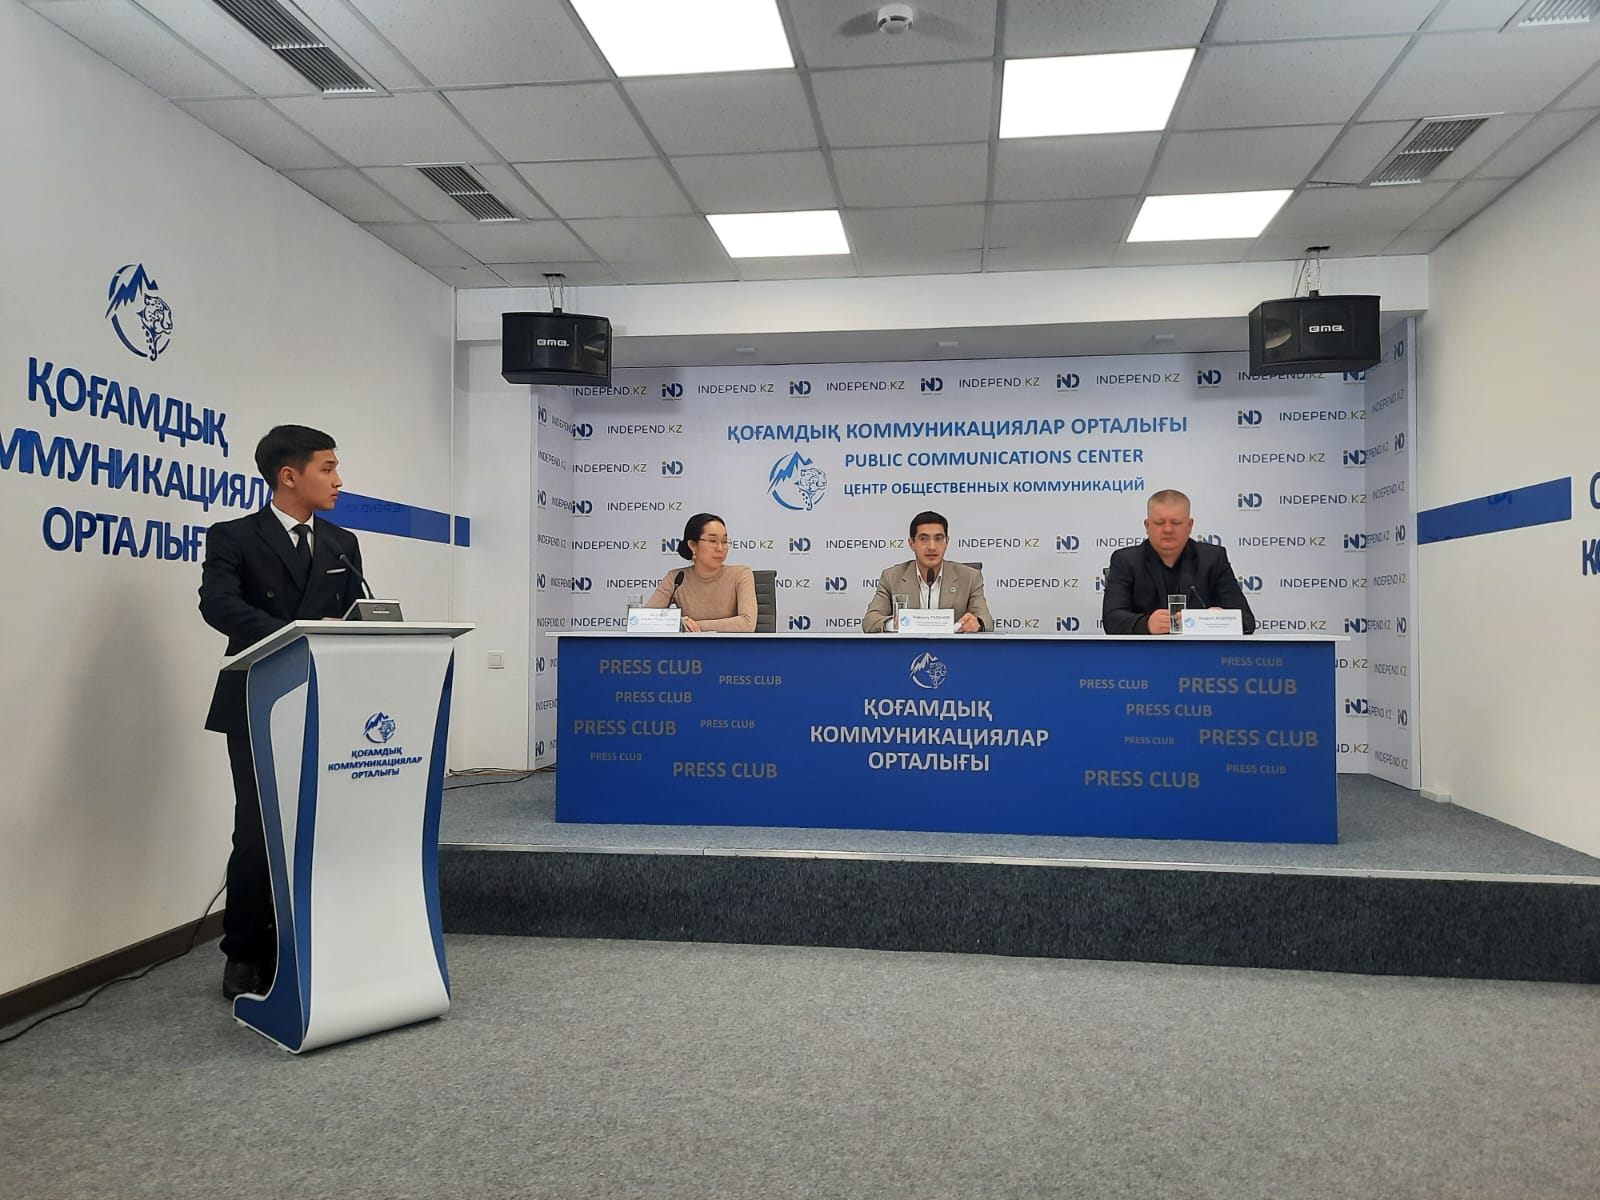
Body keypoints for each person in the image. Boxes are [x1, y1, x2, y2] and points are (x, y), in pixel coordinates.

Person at [198, 425, 365, 1000]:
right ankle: (245, 952)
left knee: (322, 823)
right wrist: (297, 632)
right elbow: (218, 606)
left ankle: (310, 939)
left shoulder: (342, 542)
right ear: (288, 476)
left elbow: (355, 613)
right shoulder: (234, 536)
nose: (338, 480)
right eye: (328, 468)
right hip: (258, 697)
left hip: (325, 696)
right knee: (259, 828)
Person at [1102, 489, 1256, 635]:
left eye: (1176, 523)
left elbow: (1247, 621)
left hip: (1199, 650)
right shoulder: (1126, 561)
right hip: (1145, 651)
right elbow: (1111, 619)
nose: (1168, 530)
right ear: (1147, 525)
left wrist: (1215, 620)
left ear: (1189, 525)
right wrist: (1146, 624)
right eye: (1160, 522)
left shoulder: (1213, 559)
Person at [862, 511, 993, 633]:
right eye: (924, 539)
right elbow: (870, 621)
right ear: (911, 543)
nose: (932, 547)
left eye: (938, 538)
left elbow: (986, 620)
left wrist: (978, 623)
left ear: (947, 542)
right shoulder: (892, 577)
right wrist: (895, 624)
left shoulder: (970, 577)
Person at [644, 512, 756, 632]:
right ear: (692, 545)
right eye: (713, 541)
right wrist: (679, 622)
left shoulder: (740, 574)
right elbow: (645, 619)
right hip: (690, 644)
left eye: (724, 541)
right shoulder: (677, 578)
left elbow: (747, 623)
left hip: (731, 644)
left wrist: (688, 627)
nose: (720, 548)